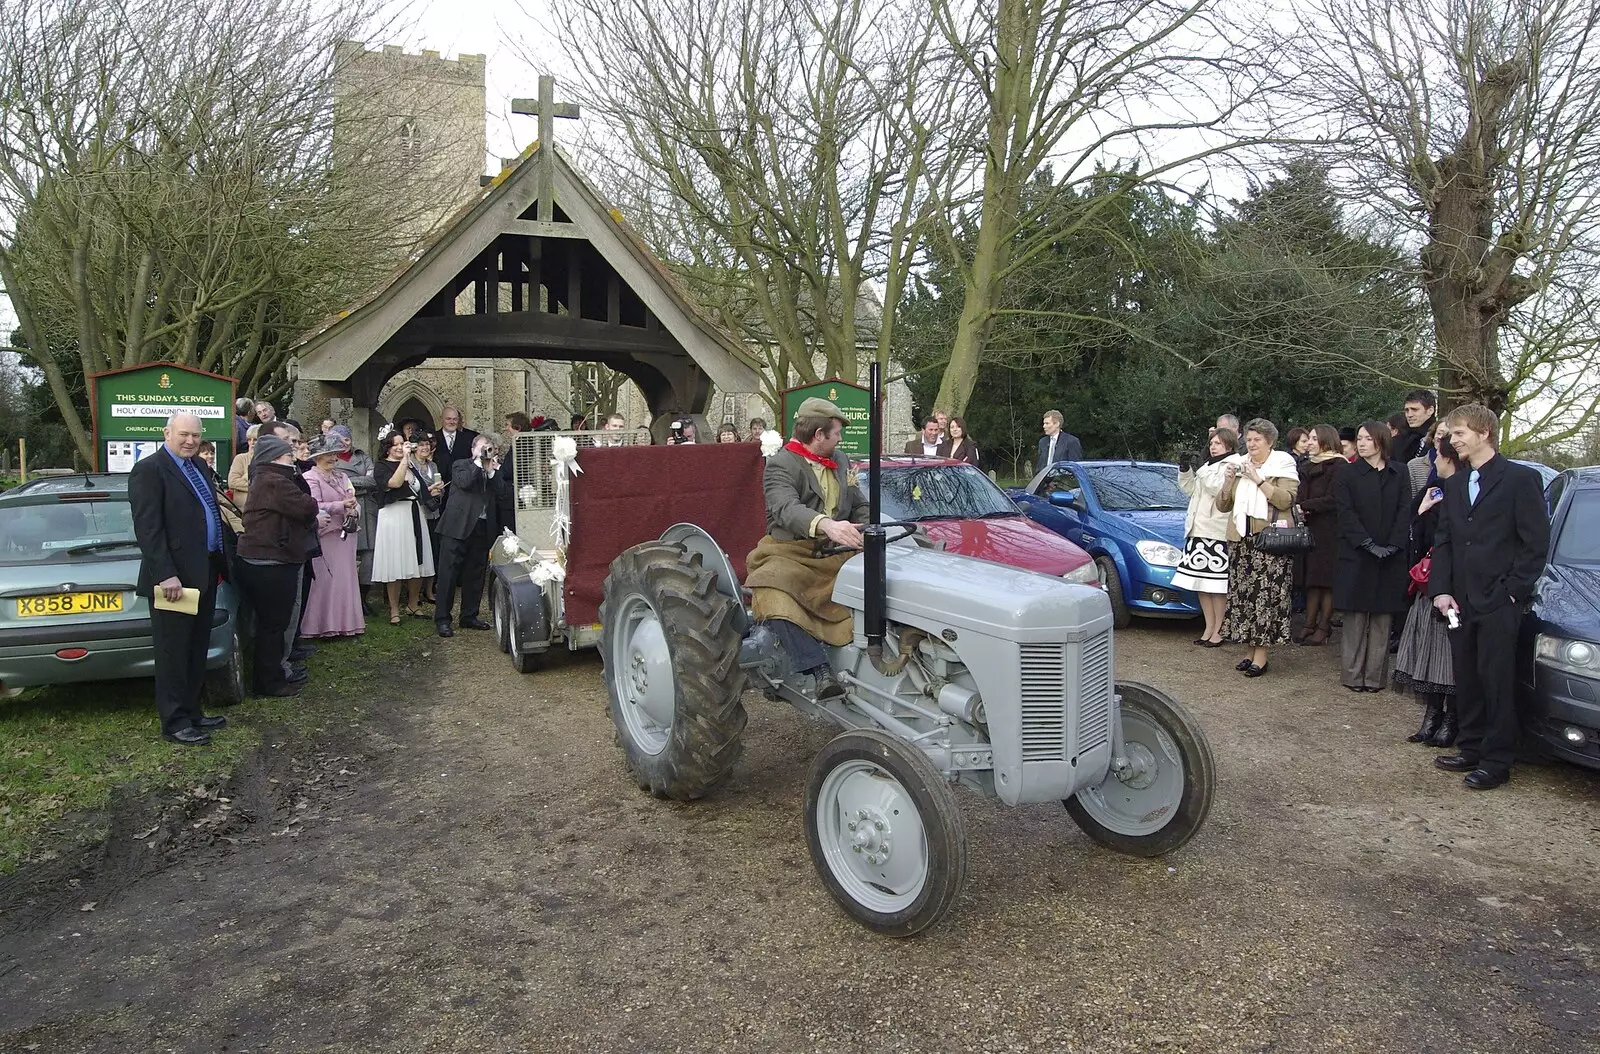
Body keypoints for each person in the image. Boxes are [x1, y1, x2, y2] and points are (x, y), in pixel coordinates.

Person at [1429, 403, 1550, 790]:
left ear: (1484, 433)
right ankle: (1472, 747)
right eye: (1451, 433)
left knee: (1496, 680)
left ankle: (1497, 760)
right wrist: (1442, 590)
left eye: (1459, 432)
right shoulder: (1455, 483)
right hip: (1459, 602)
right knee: (1467, 677)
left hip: (1499, 602)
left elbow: (1535, 545)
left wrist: (1512, 593)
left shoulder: (1520, 479)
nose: (1453, 439)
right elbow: (1444, 541)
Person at [744, 398, 869, 698]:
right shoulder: (780, 465)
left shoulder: (841, 461)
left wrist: (865, 529)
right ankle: (818, 669)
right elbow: (786, 508)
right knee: (772, 591)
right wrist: (828, 525)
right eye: (837, 433)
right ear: (818, 435)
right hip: (790, 551)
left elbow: (860, 504)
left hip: (836, 550)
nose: (840, 439)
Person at [128, 413, 233, 744]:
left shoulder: (199, 467)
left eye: (196, 436)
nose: (190, 441)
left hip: (205, 572)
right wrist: (166, 574)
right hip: (174, 580)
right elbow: (148, 528)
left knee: (196, 646)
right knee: (173, 650)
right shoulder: (150, 469)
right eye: (183, 435)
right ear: (167, 433)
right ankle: (174, 722)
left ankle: (192, 711)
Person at [233, 435, 320, 696]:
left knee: (270, 624)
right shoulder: (275, 481)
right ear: (275, 457)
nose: (292, 457)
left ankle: (272, 675)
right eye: (287, 454)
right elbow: (307, 505)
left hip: (267, 558)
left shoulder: (266, 477)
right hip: (271, 561)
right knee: (273, 625)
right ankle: (269, 682)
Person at [1393, 429, 1462, 746]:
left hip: (1449, 582)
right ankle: (1432, 716)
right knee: (1428, 652)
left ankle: (1450, 719)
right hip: (1426, 582)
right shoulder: (1434, 487)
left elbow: (1440, 536)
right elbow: (1416, 534)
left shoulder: (1456, 490)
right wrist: (1419, 513)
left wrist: (1423, 516)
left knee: (1448, 656)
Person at [1333, 421, 1413, 692]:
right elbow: (1345, 513)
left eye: (1367, 438)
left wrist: (1393, 545)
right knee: (1355, 618)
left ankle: (1375, 677)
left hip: (1390, 556)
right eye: (1359, 438)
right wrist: (1366, 544)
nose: (1362, 442)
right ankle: (1353, 675)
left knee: (1382, 619)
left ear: (1380, 441)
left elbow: (1405, 510)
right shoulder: (1347, 473)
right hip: (1357, 554)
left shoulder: (1400, 472)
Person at [1216, 418, 1299, 677]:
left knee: (1265, 597)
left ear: (1270, 442)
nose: (1251, 445)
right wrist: (1229, 481)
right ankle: (1250, 650)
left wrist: (1259, 479)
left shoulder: (1283, 463)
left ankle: (1262, 655)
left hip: (1270, 541)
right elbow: (1222, 505)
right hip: (1241, 539)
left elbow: (1286, 500)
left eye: (1257, 440)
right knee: (1244, 597)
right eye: (1248, 440)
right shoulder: (1240, 463)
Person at [433, 434, 512, 638]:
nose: (487, 451)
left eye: (490, 448)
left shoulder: (494, 468)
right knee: (448, 574)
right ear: (473, 448)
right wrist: (479, 463)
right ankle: (442, 618)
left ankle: (469, 615)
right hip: (457, 527)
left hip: (482, 527)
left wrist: (492, 472)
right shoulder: (461, 464)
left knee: (475, 574)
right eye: (483, 447)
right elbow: (466, 483)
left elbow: (503, 493)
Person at [1174, 429, 1236, 646]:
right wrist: (1185, 469)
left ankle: (1219, 630)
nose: (1213, 446)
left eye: (1218, 443)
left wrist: (1201, 468)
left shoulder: (1233, 463)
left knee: (1216, 587)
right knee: (1201, 584)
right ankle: (1208, 627)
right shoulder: (1208, 466)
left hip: (1216, 532)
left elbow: (1217, 489)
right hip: (1197, 530)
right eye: (1212, 442)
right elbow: (1190, 490)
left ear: (1229, 445)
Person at [299, 435, 365, 639]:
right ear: (316, 457)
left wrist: (354, 507)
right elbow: (313, 505)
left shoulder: (342, 477)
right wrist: (339, 506)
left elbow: (351, 496)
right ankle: (319, 626)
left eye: (334, 454)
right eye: (326, 455)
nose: (332, 458)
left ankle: (346, 624)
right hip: (326, 535)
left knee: (345, 579)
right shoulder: (310, 478)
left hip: (345, 534)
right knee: (325, 580)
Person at [372, 427, 435, 625]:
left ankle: (413, 604)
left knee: (417, 559)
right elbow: (395, 483)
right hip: (394, 515)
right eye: (396, 444)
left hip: (413, 512)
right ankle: (393, 608)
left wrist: (431, 492)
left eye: (402, 443)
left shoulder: (411, 466)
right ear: (387, 448)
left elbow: (419, 489)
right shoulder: (381, 466)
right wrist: (404, 460)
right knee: (395, 560)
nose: (400, 447)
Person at [1296, 425, 1345, 645]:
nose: (1309, 443)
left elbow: (1335, 499)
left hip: (1329, 530)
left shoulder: (1339, 465)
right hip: (1309, 527)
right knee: (1311, 579)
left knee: (1326, 581)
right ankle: (1308, 623)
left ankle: (1324, 626)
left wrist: (1305, 506)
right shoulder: (1306, 465)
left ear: (1326, 440)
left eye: (1314, 439)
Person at [328, 426, 379, 614]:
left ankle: (363, 597)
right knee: (345, 556)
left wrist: (349, 481)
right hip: (344, 510)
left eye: (347, 439)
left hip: (368, 511)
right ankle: (345, 599)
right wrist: (359, 479)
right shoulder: (330, 460)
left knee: (370, 556)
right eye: (340, 440)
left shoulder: (362, 456)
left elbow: (373, 481)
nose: (344, 443)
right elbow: (336, 483)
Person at [411, 434, 446, 601]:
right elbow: (411, 489)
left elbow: (440, 486)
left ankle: (429, 589)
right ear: (414, 447)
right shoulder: (410, 465)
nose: (424, 448)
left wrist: (439, 490)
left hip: (434, 512)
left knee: (433, 550)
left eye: (427, 444)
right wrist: (428, 490)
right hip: (418, 512)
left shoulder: (433, 465)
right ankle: (414, 592)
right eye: (421, 445)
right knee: (418, 552)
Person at [432, 406, 479, 493]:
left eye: (455, 419)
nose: (452, 422)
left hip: (463, 490)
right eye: (448, 419)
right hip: (439, 490)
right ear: (441, 419)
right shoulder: (432, 438)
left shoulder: (469, 438)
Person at [1393, 390, 1436, 464]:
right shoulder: (1399, 440)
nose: (1409, 415)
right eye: (1407, 410)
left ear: (1430, 410)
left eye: (1414, 410)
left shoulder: (1438, 438)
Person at [228, 424, 260, 507]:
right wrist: (257, 486)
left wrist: (245, 479)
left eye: (255, 440)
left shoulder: (268, 459)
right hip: (242, 508)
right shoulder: (240, 458)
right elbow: (232, 482)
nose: (252, 443)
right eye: (249, 440)